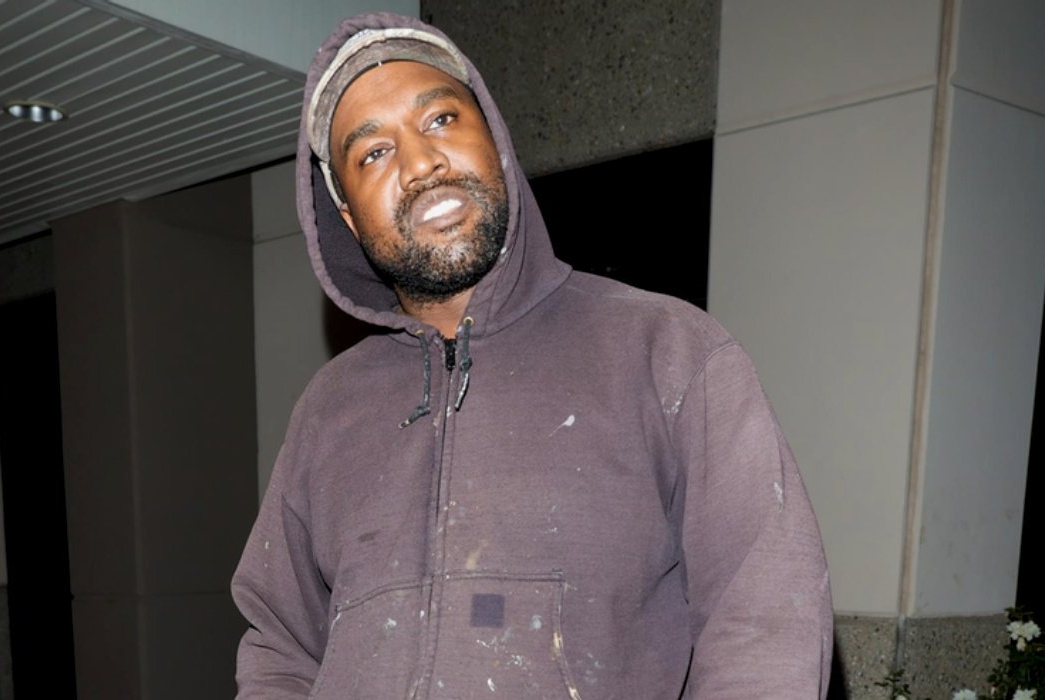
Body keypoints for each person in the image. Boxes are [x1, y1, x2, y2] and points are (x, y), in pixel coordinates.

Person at [232, 11, 833, 699]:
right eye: (373, 153)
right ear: (348, 217)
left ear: (494, 137)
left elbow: (766, 621)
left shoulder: (667, 352)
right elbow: (279, 647)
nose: (421, 164)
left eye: (440, 120)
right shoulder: (327, 409)